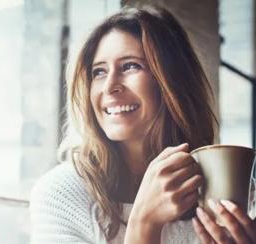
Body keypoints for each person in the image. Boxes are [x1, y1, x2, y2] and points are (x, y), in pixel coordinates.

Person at [30, 5, 256, 244]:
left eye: (130, 66)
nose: (109, 86)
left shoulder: (239, 194)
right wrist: (144, 224)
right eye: (99, 72)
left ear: (172, 81)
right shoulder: (60, 194)